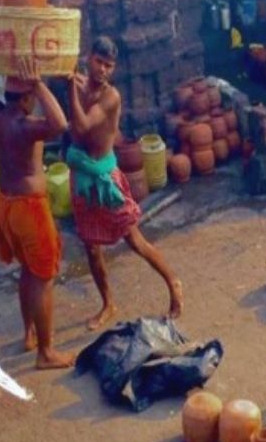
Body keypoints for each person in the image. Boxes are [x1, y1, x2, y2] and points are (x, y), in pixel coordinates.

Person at [0, 13, 74, 369]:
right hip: (29, 207)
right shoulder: (26, 126)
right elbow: (61, 124)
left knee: (27, 270)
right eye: (32, 97)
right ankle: (46, 352)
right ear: (25, 99)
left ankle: (28, 333)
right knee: (44, 277)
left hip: (5, 205)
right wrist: (39, 83)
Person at [66, 36, 183, 330]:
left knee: (134, 240)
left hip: (106, 178)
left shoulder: (111, 97)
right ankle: (108, 304)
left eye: (109, 65)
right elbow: (70, 84)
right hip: (82, 178)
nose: (103, 69)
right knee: (91, 247)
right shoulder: (81, 83)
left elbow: (80, 125)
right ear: (88, 58)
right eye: (99, 62)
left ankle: (173, 282)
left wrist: (68, 86)